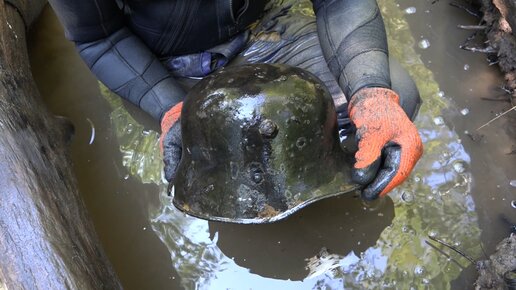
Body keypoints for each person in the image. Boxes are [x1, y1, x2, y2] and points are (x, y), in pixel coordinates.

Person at [48, 0, 423, 201]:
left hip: (270, 29)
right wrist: (170, 109)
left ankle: (330, 195)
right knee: (226, 163)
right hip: (166, 67)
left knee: (395, 99)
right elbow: (99, 38)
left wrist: (371, 93)